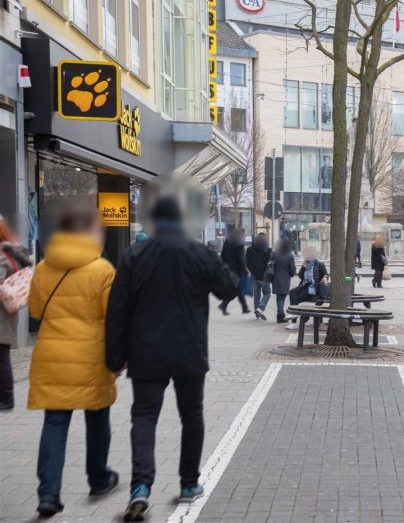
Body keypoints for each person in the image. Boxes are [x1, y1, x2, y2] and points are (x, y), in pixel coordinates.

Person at [105, 197, 238, 522]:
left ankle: (140, 488)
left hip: (146, 352)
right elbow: (230, 289)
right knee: (191, 415)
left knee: (144, 417)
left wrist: (114, 357)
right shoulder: (198, 252)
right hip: (189, 352)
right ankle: (189, 483)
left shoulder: (135, 254)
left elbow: (117, 309)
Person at [27, 208, 119, 517]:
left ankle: (48, 495)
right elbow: (114, 318)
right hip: (91, 358)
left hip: (52, 356)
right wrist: (121, 356)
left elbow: (37, 310)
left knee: (54, 423)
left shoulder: (42, 268)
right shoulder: (102, 269)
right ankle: (98, 478)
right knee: (97, 420)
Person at [0, 216, 32, 411]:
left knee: (2, 358)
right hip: (7, 314)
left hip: (2, 316)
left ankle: (7, 399)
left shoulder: (3, 256)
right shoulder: (11, 252)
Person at [286, 246, 329, 330]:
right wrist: (303, 268)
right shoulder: (306, 263)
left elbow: (326, 274)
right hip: (305, 285)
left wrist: (325, 277)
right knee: (292, 292)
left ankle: (296, 319)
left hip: (314, 287)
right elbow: (301, 276)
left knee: (296, 299)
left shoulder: (319, 264)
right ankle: (300, 315)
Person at [219, 228, 249, 315]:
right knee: (237, 290)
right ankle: (224, 304)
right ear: (241, 234)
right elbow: (240, 259)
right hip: (236, 271)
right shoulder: (239, 244)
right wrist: (245, 271)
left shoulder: (227, 242)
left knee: (238, 290)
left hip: (227, 269)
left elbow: (222, 255)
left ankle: (244, 307)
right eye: (244, 235)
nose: (245, 236)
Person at [245, 232, 273, 320]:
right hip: (264, 276)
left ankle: (257, 312)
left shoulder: (249, 249)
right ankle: (260, 308)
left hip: (254, 276)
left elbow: (246, 262)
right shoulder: (268, 250)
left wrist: (251, 270)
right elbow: (271, 262)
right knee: (267, 293)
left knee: (257, 295)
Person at [272, 238, 296, 323]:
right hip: (285, 279)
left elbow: (272, 266)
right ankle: (280, 315)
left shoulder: (275, 254)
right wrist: (292, 273)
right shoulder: (290, 256)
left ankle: (280, 314)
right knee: (282, 298)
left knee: (279, 297)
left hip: (276, 279)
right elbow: (292, 270)